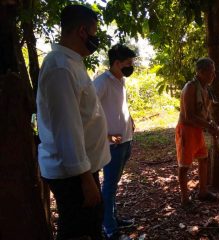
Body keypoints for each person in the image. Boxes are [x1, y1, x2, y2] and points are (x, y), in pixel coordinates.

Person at [36, 5, 110, 240]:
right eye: (94, 32)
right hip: (73, 175)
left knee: (90, 226)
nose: (96, 38)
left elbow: (83, 116)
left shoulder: (71, 61)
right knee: (79, 232)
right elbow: (67, 128)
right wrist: (85, 179)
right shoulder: (60, 67)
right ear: (82, 31)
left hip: (82, 169)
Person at [93, 44, 136, 240]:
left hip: (126, 140)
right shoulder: (102, 82)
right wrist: (107, 136)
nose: (131, 66)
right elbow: (89, 113)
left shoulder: (121, 80)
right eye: (128, 63)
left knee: (114, 184)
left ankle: (113, 217)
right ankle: (109, 228)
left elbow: (119, 106)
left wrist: (131, 119)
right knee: (109, 186)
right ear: (116, 63)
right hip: (113, 144)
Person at [175, 57, 219, 210]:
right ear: (200, 72)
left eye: (214, 72)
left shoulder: (205, 88)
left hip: (200, 130)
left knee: (203, 159)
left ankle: (203, 191)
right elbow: (189, 116)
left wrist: (212, 124)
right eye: (211, 72)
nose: (214, 76)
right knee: (185, 165)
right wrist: (208, 125)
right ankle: (185, 199)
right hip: (187, 130)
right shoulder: (191, 87)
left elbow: (205, 113)